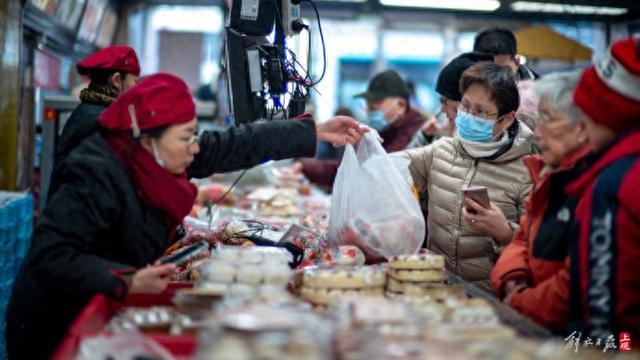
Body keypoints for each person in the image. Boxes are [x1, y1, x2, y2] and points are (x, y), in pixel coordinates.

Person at [6, 73, 367, 359]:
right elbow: (51, 257)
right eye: (185, 138)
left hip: (103, 304)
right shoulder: (95, 174)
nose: (195, 148)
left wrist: (313, 131)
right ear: (147, 137)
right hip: (55, 323)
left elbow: (231, 144)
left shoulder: (150, 158)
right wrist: (125, 282)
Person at [398, 62, 535, 292]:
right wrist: (364, 143)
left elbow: (536, 251)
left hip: (490, 305)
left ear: (506, 120)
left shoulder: (526, 172)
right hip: (435, 293)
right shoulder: (440, 151)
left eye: (480, 112)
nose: (469, 116)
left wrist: (504, 233)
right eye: (466, 106)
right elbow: (392, 167)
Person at [490, 71, 590, 332]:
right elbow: (523, 237)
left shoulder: (595, 186)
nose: (537, 133)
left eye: (548, 120)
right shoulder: (548, 175)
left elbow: (579, 282)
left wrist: (522, 301)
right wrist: (512, 280)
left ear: (582, 128)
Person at [564, 38, 640, 343]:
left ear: (605, 115)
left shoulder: (616, 185)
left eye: (584, 110)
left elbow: (606, 310)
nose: (580, 123)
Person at [296, 70, 427, 188]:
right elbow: (348, 168)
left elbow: (372, 174)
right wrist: (304, 167)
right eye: (368, 107)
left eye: (375, 107)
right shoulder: (385, 133)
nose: (370, 112)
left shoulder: (415, 137)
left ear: (400, 105)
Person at [55, 46, 141, 164]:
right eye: (135, 81)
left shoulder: (89, 111)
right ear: (116, 80)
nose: (136, 88)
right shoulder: (101, 122)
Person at [407, 52, 494, 149]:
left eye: (444, 102)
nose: (442, 110)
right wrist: (425, 135)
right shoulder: (441, 123)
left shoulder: (481, 136)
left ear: (462, 105)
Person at [473, 27, 538, 81]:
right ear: (475, 64)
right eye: (488, 71)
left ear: (516, 62)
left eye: (504, 71)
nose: (496, 79)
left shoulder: (539, 91)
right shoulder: (465, 88)